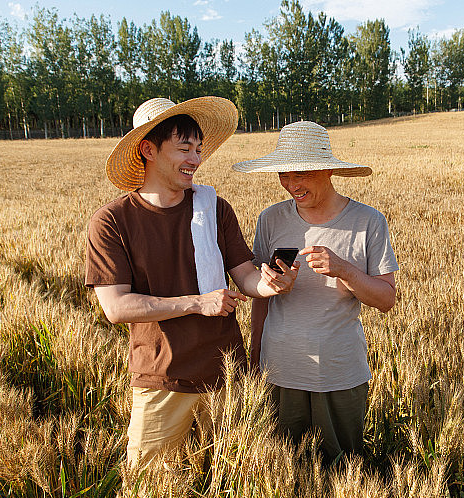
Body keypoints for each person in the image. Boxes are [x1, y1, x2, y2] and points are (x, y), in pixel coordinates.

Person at [85, 97, 298, 469]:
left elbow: (244, 272)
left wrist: (272, 285)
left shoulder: (214, 208)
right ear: (148, 149)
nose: (196, 160)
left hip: (225, 373)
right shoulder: (112, 222)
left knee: (234, 480)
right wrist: (198, 302)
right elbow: (117, 307)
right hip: (161, 378)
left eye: (198, 149)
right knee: (148, 491)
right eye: (184, 148)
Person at [232, 120, 398, 463]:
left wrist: (345, 270)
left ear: (327, 170)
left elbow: (386, 299)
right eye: (284, 174)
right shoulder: (271, 219)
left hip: (339, 371)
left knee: (343, 468)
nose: (291, 184)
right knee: (285, 468)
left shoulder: (368, 221)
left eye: (300, 173)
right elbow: (262, 298)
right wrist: (255, 355)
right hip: (279, 370)